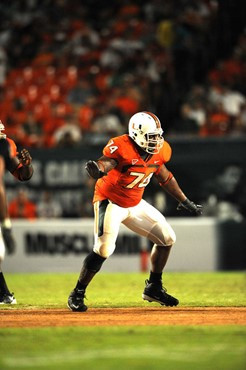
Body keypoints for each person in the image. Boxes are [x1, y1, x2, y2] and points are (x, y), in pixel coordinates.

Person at [68, 111, 202, 312]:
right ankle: (77, 293)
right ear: (136, 134)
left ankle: (154, 287)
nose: (156, 140)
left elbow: (164, 176)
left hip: (135, 203)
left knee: (167, 238)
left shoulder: (160, 151)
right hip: (111, 201)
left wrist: (184, 200)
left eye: (158, 135)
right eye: (151, 136)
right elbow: (108, 162)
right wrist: (98, 168)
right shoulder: (122, 146)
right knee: (103, 249)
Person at [0, 121, 33, 304]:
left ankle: (2, 293)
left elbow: (23, 175)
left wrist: (27, 166)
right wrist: (6, 225)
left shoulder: (6, 145)